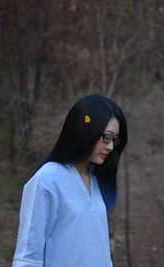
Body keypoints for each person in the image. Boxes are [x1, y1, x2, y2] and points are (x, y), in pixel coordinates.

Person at [12, 94, 128, 267]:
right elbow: (28, 258)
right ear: (85, 131)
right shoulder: (47, 180)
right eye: (107, 137)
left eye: (115, 140)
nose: (111, 147)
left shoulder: (96, 180)